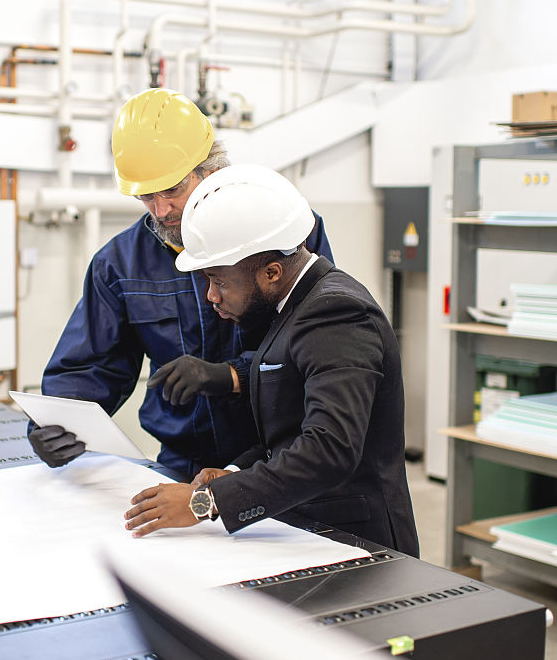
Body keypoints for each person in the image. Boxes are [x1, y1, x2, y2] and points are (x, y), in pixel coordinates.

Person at [29, 88, 334, 477]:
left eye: (172, 189)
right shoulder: (120, 264)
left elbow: (319, 347)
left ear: (212, 168)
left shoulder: (285, 228)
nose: (161, 210)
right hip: (183, 465)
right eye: (145, 196)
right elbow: (91, 366)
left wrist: (234, 375)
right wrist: (56, 422)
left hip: (283, 458)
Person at [122, 165, 419, 555]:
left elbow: (329, 450)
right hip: (311, 533)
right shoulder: (292, 307)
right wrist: (230, 475)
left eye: (219, 280)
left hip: (362, 547)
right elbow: (288, 434)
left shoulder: (337, 314)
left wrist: (206, 503)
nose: (211, 296)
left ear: (271, 272)